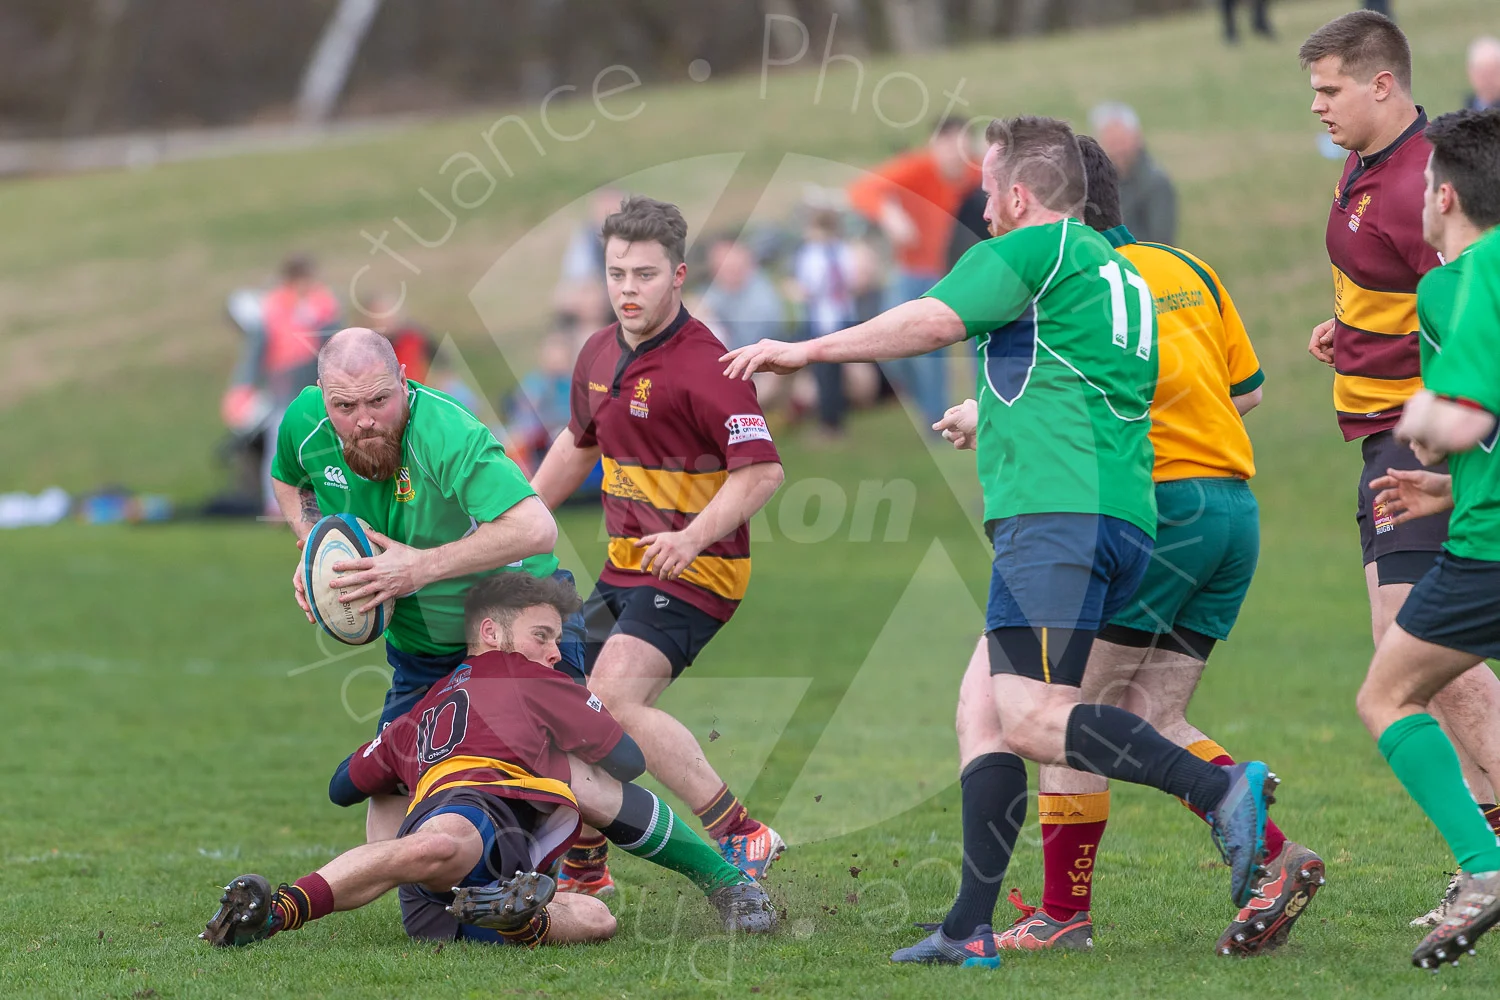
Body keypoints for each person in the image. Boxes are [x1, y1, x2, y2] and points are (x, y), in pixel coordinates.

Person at [724, 116, 1278, 968]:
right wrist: (994, 417)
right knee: (983, 707)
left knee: (1028, 717)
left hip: (1055, 516)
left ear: (1020, 194)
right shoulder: (1114, 270)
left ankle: (1218, 789)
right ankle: (968, 925)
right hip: (1111, 514)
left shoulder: (1032, 250)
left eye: (986, 189)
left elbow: (930, 320)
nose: (980, 205)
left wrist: (805, 350)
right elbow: (1081, 380)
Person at [962, 135, 1323, 957]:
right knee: (1151, 711)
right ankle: (1274, 857)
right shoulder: (1186, 267)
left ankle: (1063, 913)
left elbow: (1095, 385)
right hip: (1233, 511)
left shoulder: (1085, 281)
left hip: (1153, 507)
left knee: (1062, 710)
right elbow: (1250, 390)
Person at [200, 573, 775, 948]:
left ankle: (517, 918)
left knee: (601, 920)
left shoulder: (419, 711)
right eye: (544, 635)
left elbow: (341, 785)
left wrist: (404, 763)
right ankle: (275, 912)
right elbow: (626, 758)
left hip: (449, 904)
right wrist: (565, 732)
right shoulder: (532, 677)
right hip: (472, 819)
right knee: (465, 833)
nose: (556, 652)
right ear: (495, 633)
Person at [1300, 11, 1500, 924]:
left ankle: (1488, 864)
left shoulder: (1432, 182)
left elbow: (1467, 318)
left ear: (1384, 84)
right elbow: (1399, 300)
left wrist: (1440, 432)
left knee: (1421, 660)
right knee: (1417, 654)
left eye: (1331, 89)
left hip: (1420, 442)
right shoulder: (1365, 163)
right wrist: (1351, 334)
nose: (1319, 107)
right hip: (1386, 439)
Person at [530, 197, 788, 891]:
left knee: (610, 700)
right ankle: (585, 869)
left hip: (701, 570)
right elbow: (574, 446)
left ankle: (742, 834)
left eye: (643, 275)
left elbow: (762, 471)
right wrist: (518, 516)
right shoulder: (596, 351)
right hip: (627, 569)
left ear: (678, 276)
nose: (626, 290)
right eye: (616, 273)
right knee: (568, 704)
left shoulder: (708, 366)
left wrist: (693, 535)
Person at [269, 327, 583, 846]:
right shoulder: (305, 421)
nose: (364, 419)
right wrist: (312, 548)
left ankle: (591, 863)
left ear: (404, 381)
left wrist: (418, 569)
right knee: (390, 780)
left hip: (519, 619)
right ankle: (400, 889)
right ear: (324, 397)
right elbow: (288, 476)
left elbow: (535, 527)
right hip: (422, 642)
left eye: (379, 399)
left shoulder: (446, 433)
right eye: (345, 405)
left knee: (563, 761)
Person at [1354, 108, 1500, 970]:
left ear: (1444, 195)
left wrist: (1424, 424)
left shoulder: (1456, 281)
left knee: (1386, 695)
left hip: (1488, 551)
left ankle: (1484, 871)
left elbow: (1471, 411)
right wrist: (1445, 485)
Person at [847, 117, 981, 429]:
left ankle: (982, 416)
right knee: (902, 350)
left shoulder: (978, 175)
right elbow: (862, 189)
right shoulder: (917, 168)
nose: (953, 154)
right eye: (945, 144)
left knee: (982, 347)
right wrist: (889, 213)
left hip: (964, 275)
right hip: (914, 274)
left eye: (960, 145)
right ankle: (935, 417)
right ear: (934, 145)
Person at [258, 255, 341, 516]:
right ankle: (274, 505)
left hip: (315, 381)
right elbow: (266, 344)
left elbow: (333, 337)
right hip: (284, 381)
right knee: (279, 438)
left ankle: (324, 501)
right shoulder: (274, 305)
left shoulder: (323, 303)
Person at [790, 209, 860, 438]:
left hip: (828, 319)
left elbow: (812, 288)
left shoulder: (817, 255)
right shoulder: (839, 252)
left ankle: (831, 423)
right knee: (826, 373)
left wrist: (796, 291)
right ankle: (831, 420)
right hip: (830, 317)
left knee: (828, 374)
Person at [1090, 103, 1178, 246]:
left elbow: (1162, 241)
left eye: (1122, 141)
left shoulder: (1156, 183)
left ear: (1137, 138)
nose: (1118, 149)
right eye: (1111, 142)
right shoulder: (1095, 183)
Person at [365, 292, 437, 384]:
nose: (383, 318)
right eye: (378, 313)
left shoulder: (416, 338)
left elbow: (442, 366)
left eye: (387, 312)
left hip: (414, 392)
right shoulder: (366, 343)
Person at [1466, 37, 1500, 112]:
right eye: (1483, 74)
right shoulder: (1464, 112)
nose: (1488, 81)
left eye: (1493, 73)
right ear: (1471, 73)